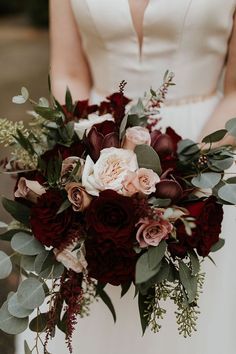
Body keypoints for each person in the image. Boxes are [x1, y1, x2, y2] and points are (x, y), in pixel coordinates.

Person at [16, 1, 236, 353]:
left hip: (206, 151)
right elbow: (70, 74)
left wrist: (187, 173)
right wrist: (88, 169)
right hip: (95, 147)